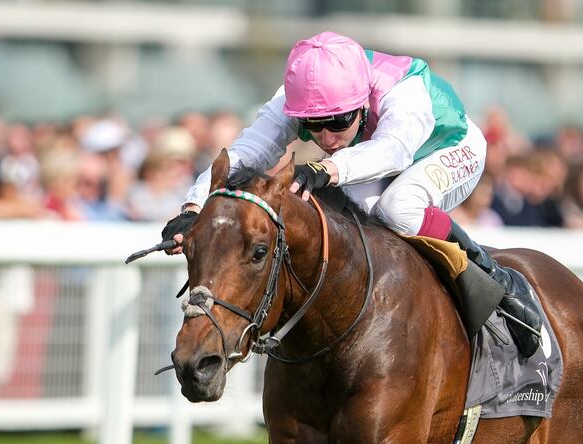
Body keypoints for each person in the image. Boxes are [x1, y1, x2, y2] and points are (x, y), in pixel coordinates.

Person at [161, 31, 542, 355]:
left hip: (449, 147)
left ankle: (497, 280)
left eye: (339, 121)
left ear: (361, 103)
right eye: (314, 125)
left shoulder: (402, 94)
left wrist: (327, 169)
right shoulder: (292, 98)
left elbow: (394, 150)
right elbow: (243, 154)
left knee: (396, 207)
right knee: (338, 208)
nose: (327, 137)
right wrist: (194, 207)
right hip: (375, 151)